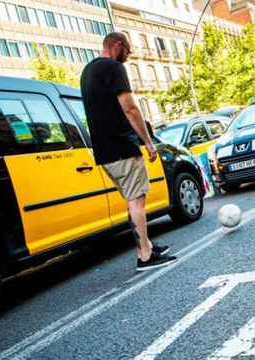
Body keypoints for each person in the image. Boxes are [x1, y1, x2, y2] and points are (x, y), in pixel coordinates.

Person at [80, 32, 176, 271]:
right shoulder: (113, 67)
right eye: (129, 49)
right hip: (122, 147)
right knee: (137, 202)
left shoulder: (88, 71)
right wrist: (148, 142)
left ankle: (146, 246)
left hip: (104, 152)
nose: (129, 54)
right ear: (117, 46)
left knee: (132, 201)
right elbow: (130, 108)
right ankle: (145, 256)